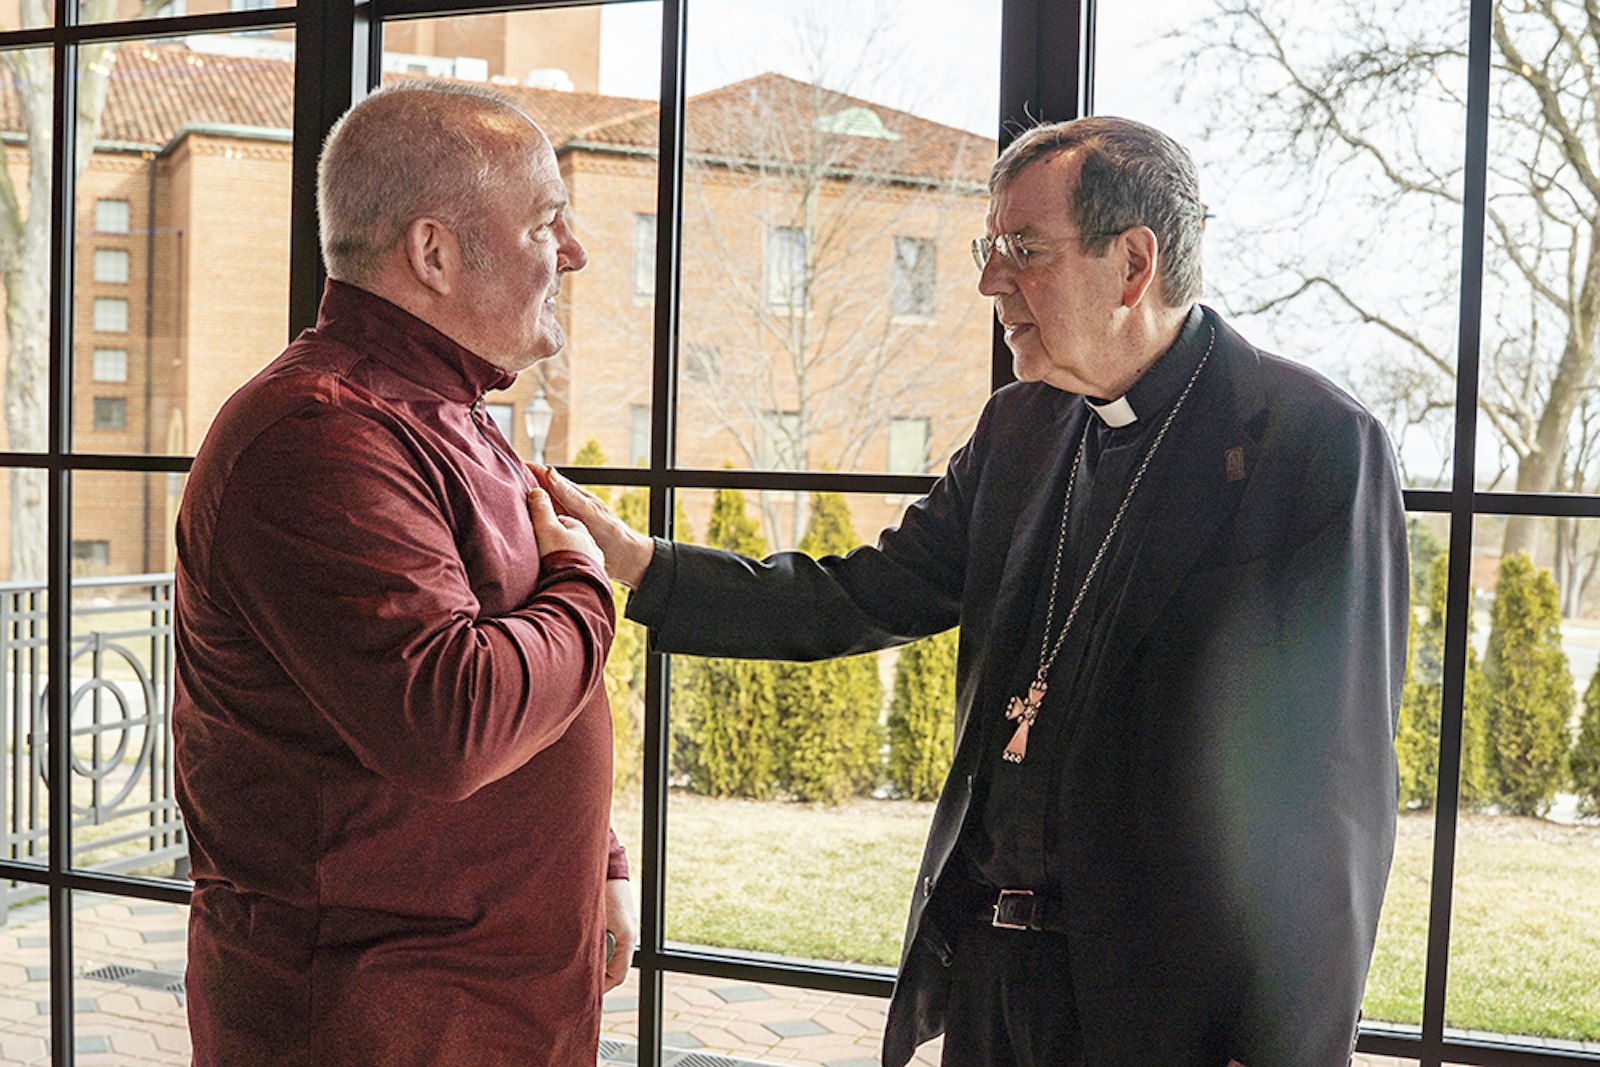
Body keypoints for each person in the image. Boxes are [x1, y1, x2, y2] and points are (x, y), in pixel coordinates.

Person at [543, 116, 1406, 1067]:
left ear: (1132, 263)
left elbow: (1332, 796)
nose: (991, 280)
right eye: (988, 249)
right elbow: (858, 594)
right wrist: (640, 562)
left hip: (1168, 1013)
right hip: (993, 982)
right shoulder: (1021, 429)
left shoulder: (1312, 443)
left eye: (1022, 251)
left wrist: (1285, 1051)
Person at [173, 80, 636, 1067]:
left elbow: (525, 660)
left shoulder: (443, 407)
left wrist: (597, 863)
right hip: (376, 1020)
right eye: (547, 221)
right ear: (432, 252)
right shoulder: (322, 433)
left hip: (492, 1004)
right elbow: (452, 718)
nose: (575, 251)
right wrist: (590, 586)